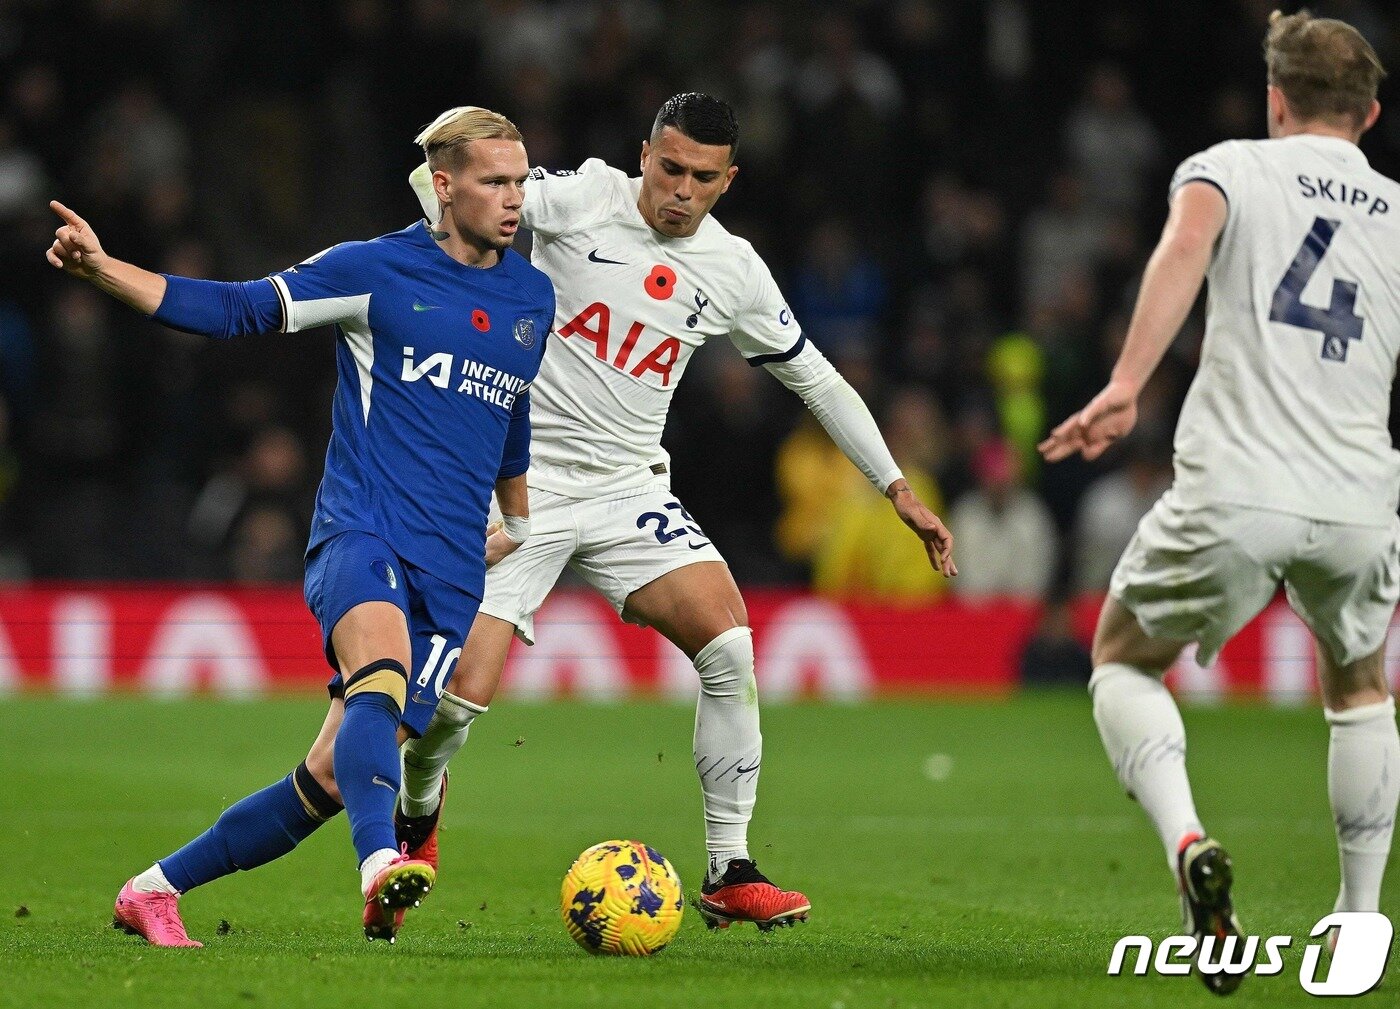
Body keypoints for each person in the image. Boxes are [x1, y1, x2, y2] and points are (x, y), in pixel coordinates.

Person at [401, 94, 956, 930]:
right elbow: (434, 182)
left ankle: (730, 868)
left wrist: (897, 487)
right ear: (644, 155)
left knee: (730, 644)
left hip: (629, 489)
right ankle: (419, 806)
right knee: (456, 698)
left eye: (702, 177)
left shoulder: (733, 268)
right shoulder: (578, 197)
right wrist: (464, 258)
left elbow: (817, 379)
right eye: (669, 169)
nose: (681, 191)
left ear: (728, 180)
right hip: (522, 484)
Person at [47, 107, 554, 946]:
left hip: (456, 569)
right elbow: (240, 308)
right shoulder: (374, 270)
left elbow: (510, 407)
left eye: (521, 179)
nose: (515, 198)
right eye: (496, 181)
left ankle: (152, 888)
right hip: (364, 534)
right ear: (443, 184)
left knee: (325, 777)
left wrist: (520, 519)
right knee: (379, 682)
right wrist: (106, 271)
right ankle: (378, 867)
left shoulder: (530, 294)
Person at [1040, 11, 1398, 996]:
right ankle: (1359, 919)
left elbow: (1181, 251)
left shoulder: (1228, 165)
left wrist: (1123, 383)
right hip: (1362, 494)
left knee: (1119, 657)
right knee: (1360, 691)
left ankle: (1187, 840)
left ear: (1273, 100)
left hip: (1239, 482)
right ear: (1368, 114)